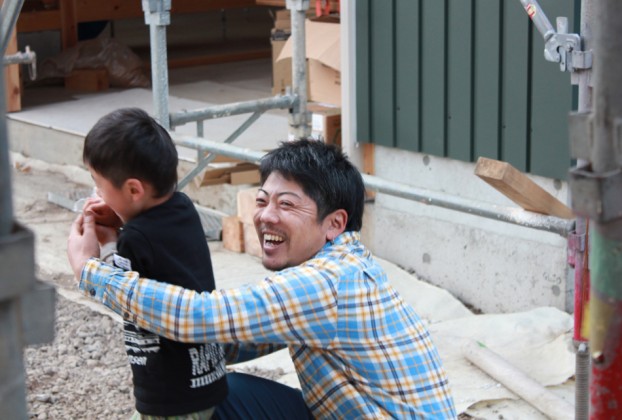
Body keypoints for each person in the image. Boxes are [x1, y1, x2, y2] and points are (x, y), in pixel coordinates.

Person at [68, 138, 457, 419]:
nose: (265, 216)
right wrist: (126, 231)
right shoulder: (341, 266)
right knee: (215, 387)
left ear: (334, 223)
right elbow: (232, 341)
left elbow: (202, 317)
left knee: (218, 398)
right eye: (262, 200)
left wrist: (93, 272)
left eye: (286, 204)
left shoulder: (327, 283)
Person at [80, 107, 228, 419]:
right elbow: (159, 254)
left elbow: (120, 293)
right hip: (205, 377)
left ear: (133, 189)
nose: (96, 192)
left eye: (98, 183)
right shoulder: (184, 208)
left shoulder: (135, 238)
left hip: (170, 393)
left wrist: (99, 245)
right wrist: (120, 221)